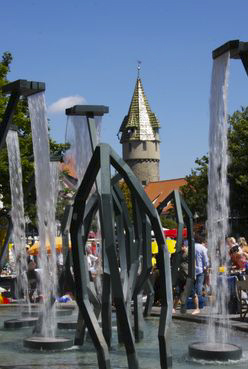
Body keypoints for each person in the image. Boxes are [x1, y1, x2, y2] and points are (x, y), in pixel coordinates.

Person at [192, 234, 209, 315]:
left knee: (193, 288)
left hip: (191, 271)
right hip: (200, 270)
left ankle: (196, 305)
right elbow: (206, 261)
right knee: (199, 287)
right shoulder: (202, 248)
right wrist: (207, 267)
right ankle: (200, 305)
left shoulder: (190, 247)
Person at [172, 242, 188, 313]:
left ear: (183, 246)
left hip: (187, 276)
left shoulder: (189, 253)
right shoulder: (180, 253)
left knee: (191, 293)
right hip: (180, 275)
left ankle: (185, 308)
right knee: (177, 292)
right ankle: (174, 308)